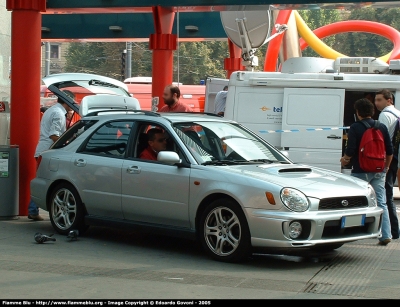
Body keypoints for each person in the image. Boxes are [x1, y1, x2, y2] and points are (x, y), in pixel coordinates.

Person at [340, 98, 393, 246]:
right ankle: (386, 234)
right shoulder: (381, 127)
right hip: (379, 170)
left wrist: (344, 160)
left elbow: (350, 150)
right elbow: (389, 151)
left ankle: (354, 233)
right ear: (372, 111)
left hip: (360, 170)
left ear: (358, 112)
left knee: (356, 203)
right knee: (381, 202)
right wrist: (386, 167)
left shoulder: (355, 127)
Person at [28, 95, 73, 221]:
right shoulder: (58, 113)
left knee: (44, 180)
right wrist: (67, 145)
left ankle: (33, 210)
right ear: (67, 101)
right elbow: (54, 135)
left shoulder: (52, 110)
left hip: (43, 150)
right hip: (49, 151)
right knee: (47, 181)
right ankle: (33, 210)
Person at [375, 89, 400, 239]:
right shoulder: (397, 113)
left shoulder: (384, 115)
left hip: (386, 158)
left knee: (384, 196)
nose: (376, 103)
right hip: (395, 156)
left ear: (389, 100)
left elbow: (381, 139)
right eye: (376, 100)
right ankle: (394, 229)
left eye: (379, 100)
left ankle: (390, 230)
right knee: (388, 194)